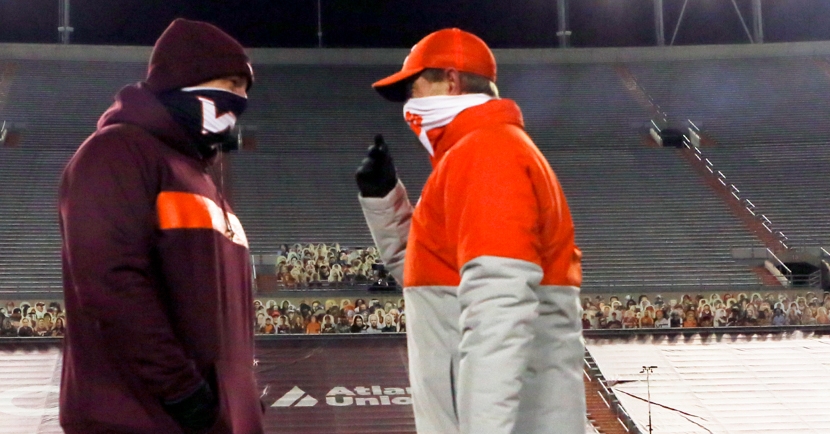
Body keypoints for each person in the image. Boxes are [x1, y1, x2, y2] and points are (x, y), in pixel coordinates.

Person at [356, 28, 584, 434]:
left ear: (451, 81)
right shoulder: (477, 151)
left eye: (413, 89)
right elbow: (435, 283)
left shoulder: (487, 152)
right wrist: (385, 203)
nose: (409, 105)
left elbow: (498, 316)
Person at [58, 19, 263, 434]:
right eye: (230, 84)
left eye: (245, 89)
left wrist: (240, 399)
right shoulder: (116, 152)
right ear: (185, 78)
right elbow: (110, 281)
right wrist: (183, 392)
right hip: (142, 419)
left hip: (205, 419)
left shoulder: (199, 175)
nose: (240, 101)